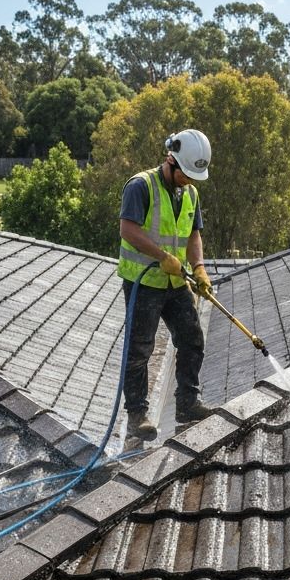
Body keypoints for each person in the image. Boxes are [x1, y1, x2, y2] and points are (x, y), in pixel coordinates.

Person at [116, 128, 215, 444]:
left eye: (193, 176)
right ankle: (137, 416)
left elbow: (193, 235)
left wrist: (198, 268)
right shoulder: (140, 186)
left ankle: (187, 403)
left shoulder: (191, 194)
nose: (189, 180)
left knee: (191, 338)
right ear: (170, 160)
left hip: (175, 281)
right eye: (185, 174)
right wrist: (160, 256)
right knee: (140, 349)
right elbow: (128, 229)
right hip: (143, 282)